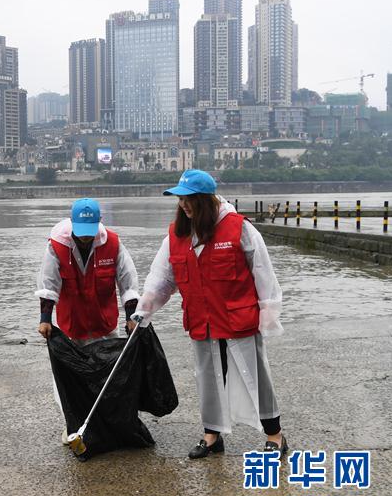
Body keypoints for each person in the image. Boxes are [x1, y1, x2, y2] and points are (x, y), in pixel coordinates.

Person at [132, 170, 287, 459]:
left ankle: (275, 435)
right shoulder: (176, 235)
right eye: (180, 200)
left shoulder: (239, 228)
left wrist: (268, 313)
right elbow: (161, 279)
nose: (184, 205)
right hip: (201, 320)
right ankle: (212, 436)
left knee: (255, 376)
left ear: (206, 199)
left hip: (238, 319)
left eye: (189, 199)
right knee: (208, 378)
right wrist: (143, 311)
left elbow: (263, 272)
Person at [35, 198, 140, 456]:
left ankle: (106, 421)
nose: (85, 238)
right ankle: (72, 422)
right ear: (72, 224)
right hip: (72, 324)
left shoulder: (112, 244)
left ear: (99, 223)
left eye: (89, 233)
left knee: (108, 374)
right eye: (80, 233)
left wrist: (131, 316)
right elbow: (48, 283)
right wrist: (45, 318)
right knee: (69, 376)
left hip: (104, 323)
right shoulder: (57, 246)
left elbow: (128, 282)